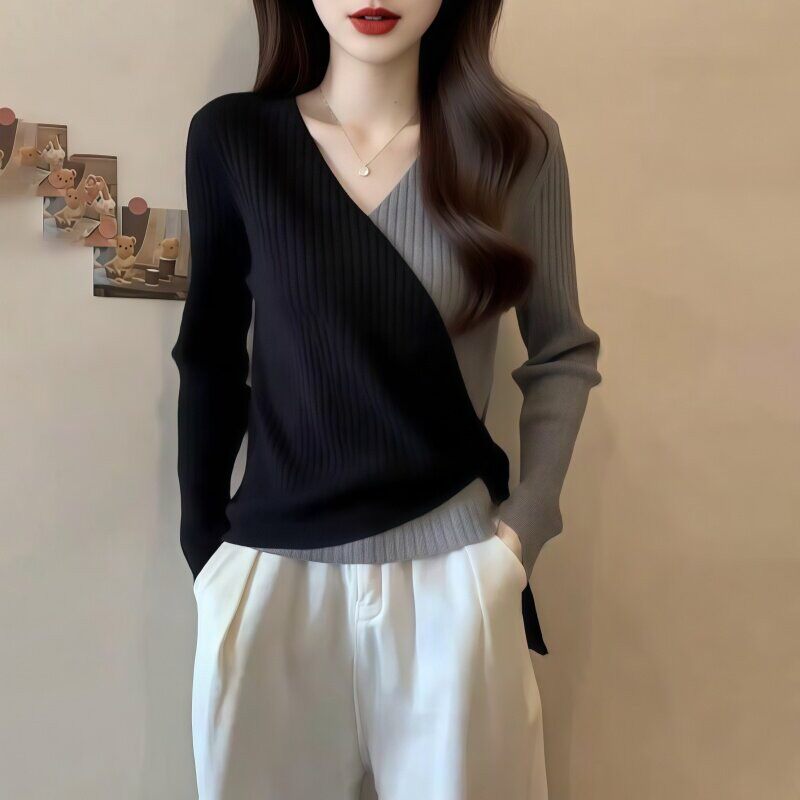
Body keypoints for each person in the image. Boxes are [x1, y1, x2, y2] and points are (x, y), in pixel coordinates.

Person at [170, 1, 602, 797]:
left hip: (455, 577)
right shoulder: (236, 140)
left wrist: (519, 538)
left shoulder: (514, 146)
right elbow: (210, 356)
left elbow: (562, 352)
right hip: (273, 581)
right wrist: (208, 555)